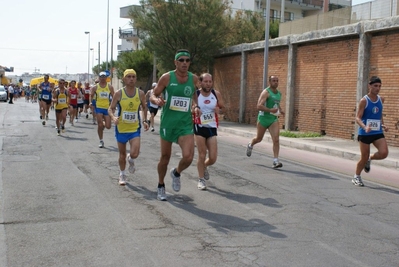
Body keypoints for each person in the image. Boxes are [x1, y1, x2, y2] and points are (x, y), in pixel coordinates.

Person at [150, 49, 199, 201]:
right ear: (175, 62)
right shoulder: (167, 77)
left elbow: (196, 95)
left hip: (185, 124)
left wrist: (196, 106)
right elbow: (152, 94)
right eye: (182, 60)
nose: (185, 63)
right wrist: (156, 101)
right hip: (168, 123)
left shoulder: (194, 79)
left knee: (189, 156)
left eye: (187, 60)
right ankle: (160, 185)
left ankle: (176, 173)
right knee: (165, 157)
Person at [108, 69, 149, 185]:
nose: (131, 79)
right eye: (129, 77)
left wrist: (145, 120)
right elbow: (110, 108)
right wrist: (113, 117)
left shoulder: (140, 93)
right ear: (124, 79)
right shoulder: (119, 93)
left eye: (133, 77)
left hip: (134, 128)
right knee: (121, 154)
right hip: (121, 128)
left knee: (135, 153)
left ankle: (131, 158)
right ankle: (122, 174)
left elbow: (144, 107)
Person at [353, 76, 389, 186]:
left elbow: (379, 114)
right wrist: (365, 127)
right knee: (363, 157)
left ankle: (370, 158)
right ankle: (356, 176)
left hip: (377, 131)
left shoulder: (381, 99)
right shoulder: (364, 100)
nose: (377, 88)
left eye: (379, 86)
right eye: (375, 86)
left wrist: (382, 124)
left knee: (384, 153)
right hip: (365, 133)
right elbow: (358, 118)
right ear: (369, 86)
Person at [246, 75, 285, 168]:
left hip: (273, 119)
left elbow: (276, 103)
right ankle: (251, 144)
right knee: (259, 139)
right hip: (263, 119)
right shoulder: (266, 92)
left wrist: (280, 110)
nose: (275, 82)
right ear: (270, 82)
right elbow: (259, 106)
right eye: (273, 80)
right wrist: (270, 110)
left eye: (277, 81)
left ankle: (276, 161)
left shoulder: (279, 93)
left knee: (276, 139)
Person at [194, 73, 225, 190]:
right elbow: (191, 107)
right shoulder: (196, 94)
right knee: (202, 154)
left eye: (210, 81)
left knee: (213, 158)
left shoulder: (216, 94)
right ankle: (201, 179)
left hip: (211, 127)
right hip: (199, 126)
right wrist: (195, 109)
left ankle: (204, 166)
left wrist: (219, 110)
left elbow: (223, 108)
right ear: (200, 83)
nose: (208, 84)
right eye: (205, 81)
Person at [91, 72, 115, 148]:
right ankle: (101, 140)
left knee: (108, 126)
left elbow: (114, 97)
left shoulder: (110, 87)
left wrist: (113, 106)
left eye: (104, 77)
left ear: (106, 78)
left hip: (107, 108)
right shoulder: (95, 87)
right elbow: (91, 95)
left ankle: (103, 125)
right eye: (101, 77)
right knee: (100, 125)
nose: (103, 78)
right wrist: (90, 103)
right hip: (98, 107)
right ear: (99, 78)